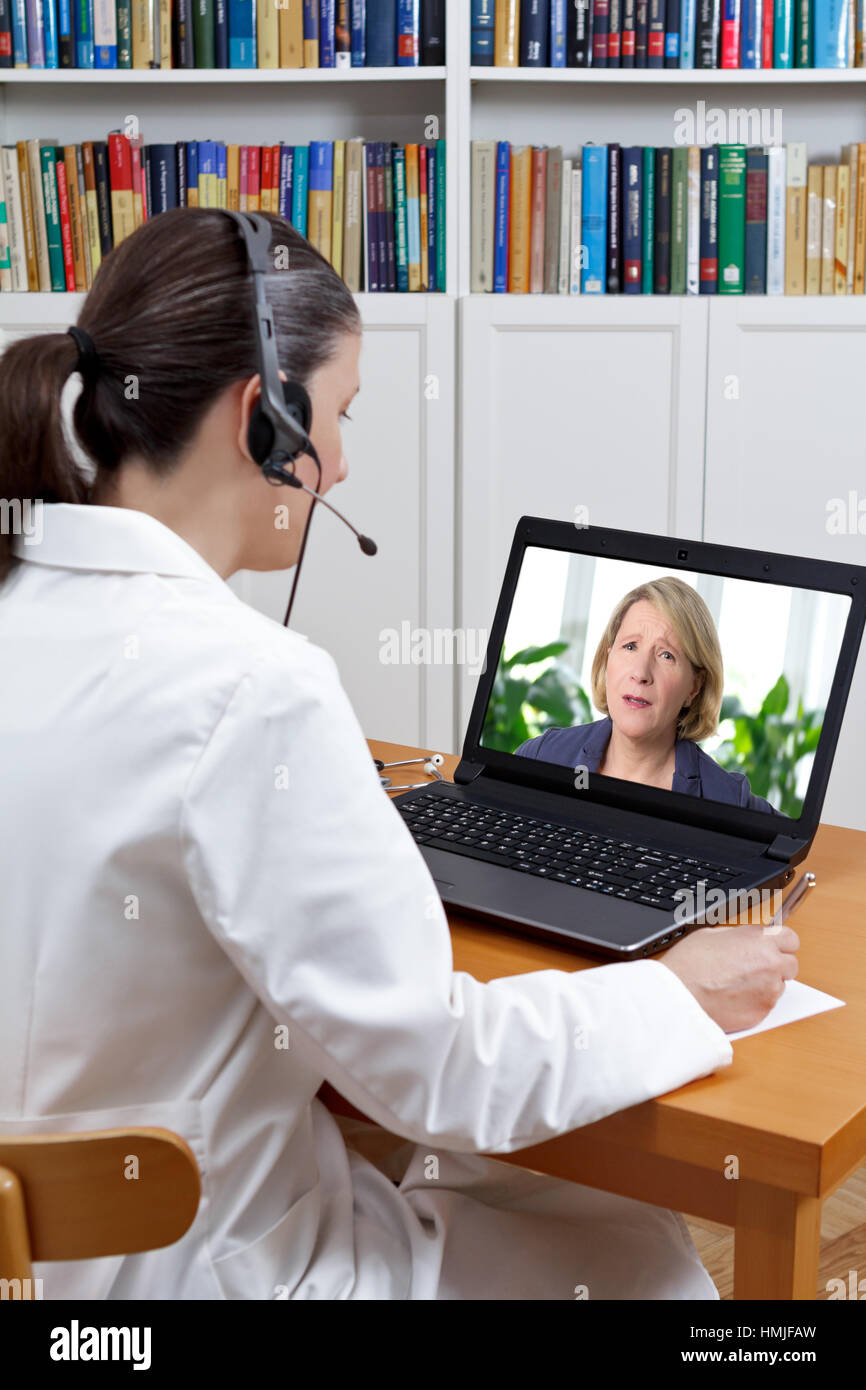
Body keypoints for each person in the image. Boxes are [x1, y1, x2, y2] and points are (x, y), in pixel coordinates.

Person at [0, 208, 799, 1301]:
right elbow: (440, 1069)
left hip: (42, 1258)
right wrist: (675, 993)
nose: (341, 462)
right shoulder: (251, 689)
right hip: (190, 1272)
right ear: (263, 419)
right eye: (339, 413)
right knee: (637, 1256)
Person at [516, 578, 776, 813]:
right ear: (608, 661)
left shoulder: (725, 799)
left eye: (666, 655)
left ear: (694, 687)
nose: (641, 673)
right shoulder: (543, 756)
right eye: (630, 646)